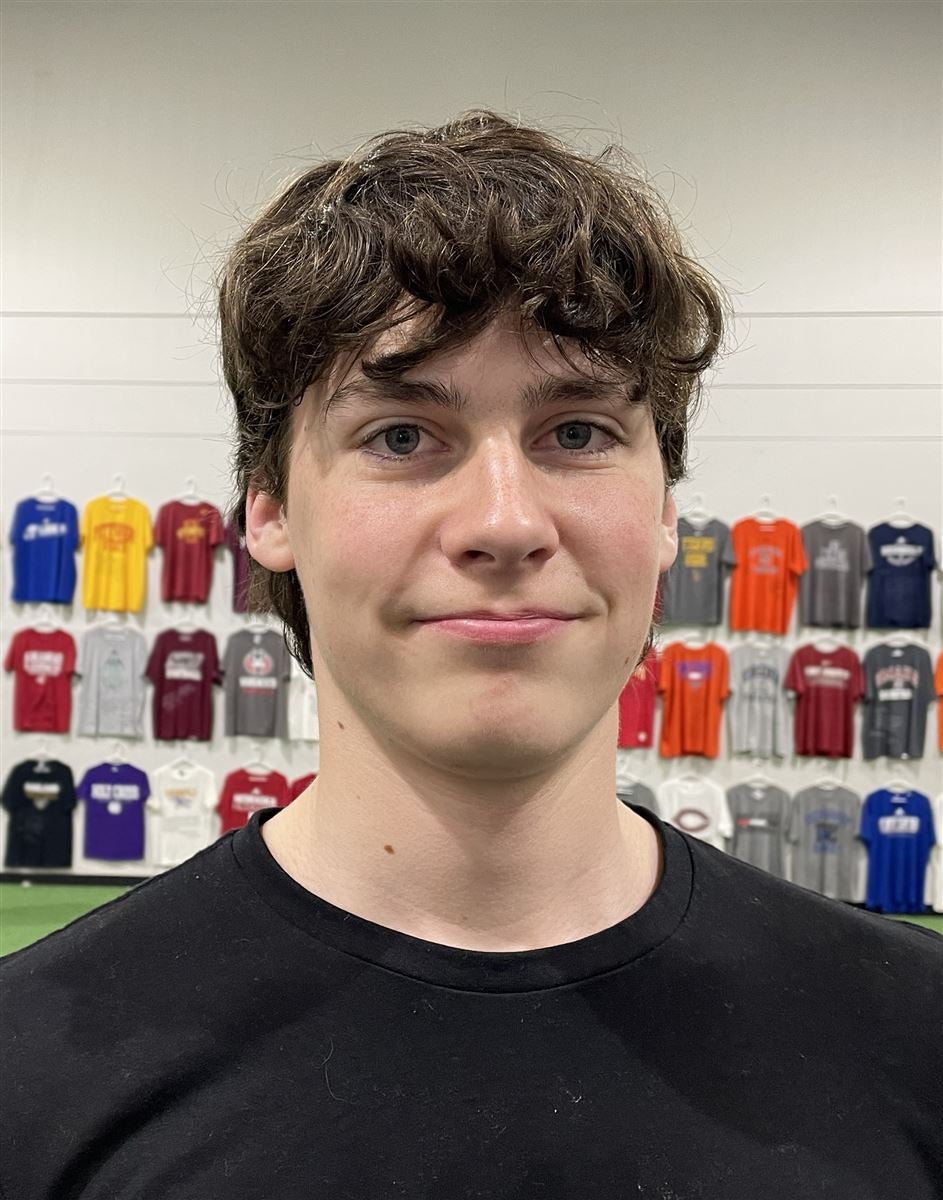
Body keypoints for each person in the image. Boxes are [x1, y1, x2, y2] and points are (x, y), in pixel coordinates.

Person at [1, 109, 940, 1199]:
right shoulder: (32, 1076)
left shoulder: (913, 1037)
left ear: (664, 513)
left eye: (577, 432)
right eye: (401, 436)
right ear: (270, 513)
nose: (505, 521)